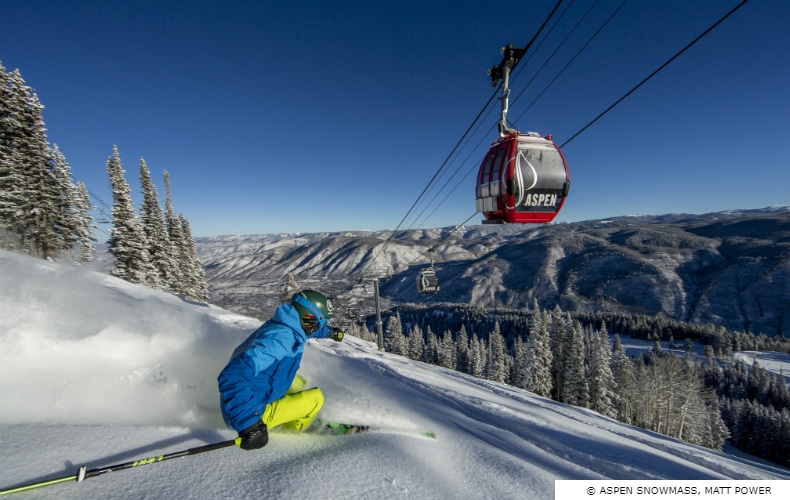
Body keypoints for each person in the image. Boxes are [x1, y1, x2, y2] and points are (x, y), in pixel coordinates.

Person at [217, 289, 344, 450]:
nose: (316, 328)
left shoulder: (287, 323)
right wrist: (248, 423)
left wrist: (330, 332)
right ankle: (295, 431)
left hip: (252, 396)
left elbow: (307, 331)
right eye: (318, 324)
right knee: (316, 398)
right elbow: (233, 374)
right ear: (309, 318)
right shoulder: (281, 339)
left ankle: (294, 413)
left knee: (299, 381)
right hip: (251, 414)